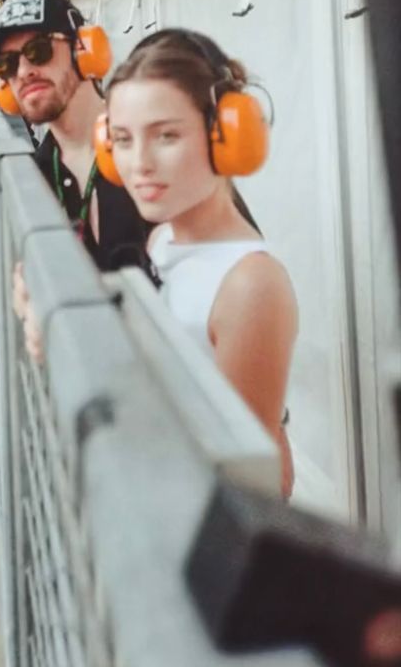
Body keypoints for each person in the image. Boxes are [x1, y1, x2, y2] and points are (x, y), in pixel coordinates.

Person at [104, 29, 298, 498]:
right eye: (122, 140)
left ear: (226, 135)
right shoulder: (162, 240)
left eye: (166, 135)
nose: (139, 163)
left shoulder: (250, 285)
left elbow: (260, 484)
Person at [0, 0, 147, 274]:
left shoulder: (153, 147)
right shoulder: (33, 179)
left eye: (38, 51)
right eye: (6, 64)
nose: (24, 71)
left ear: (83, 51)